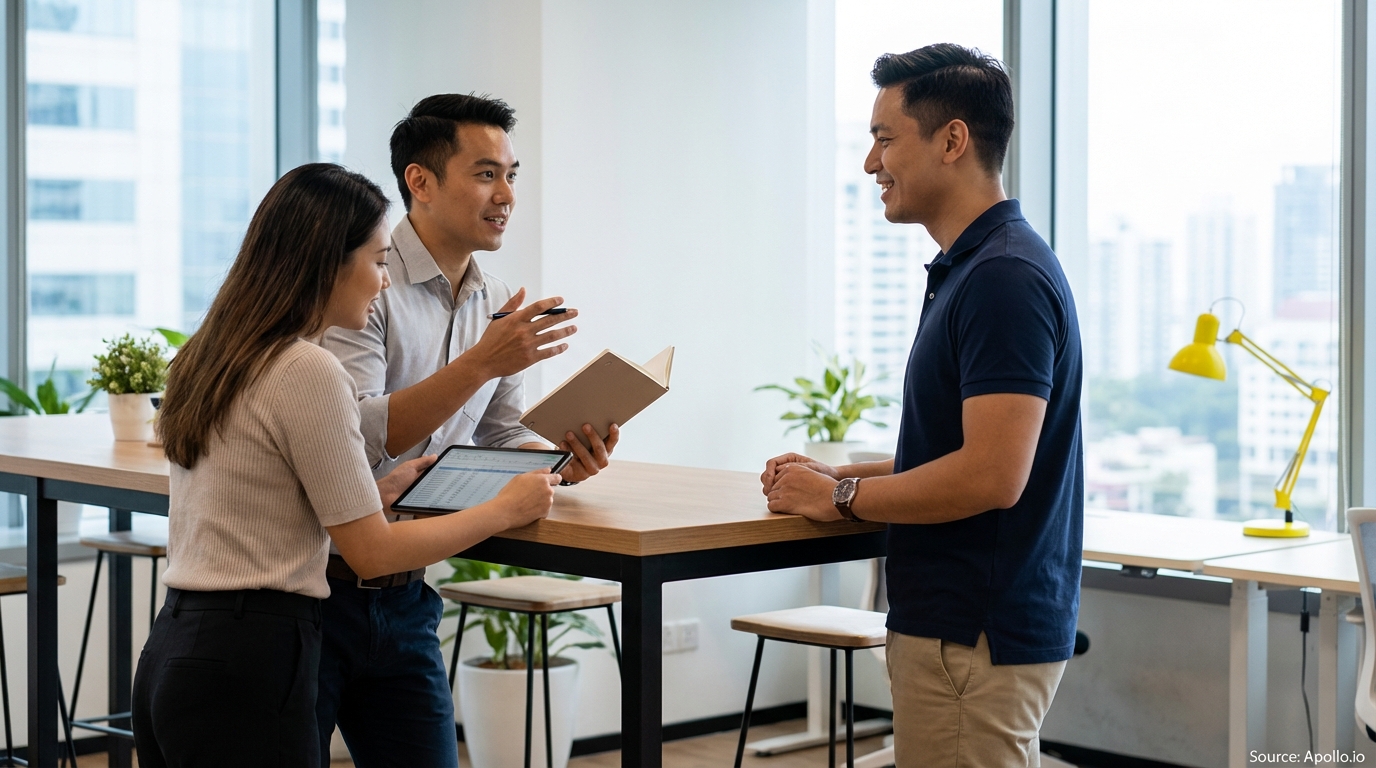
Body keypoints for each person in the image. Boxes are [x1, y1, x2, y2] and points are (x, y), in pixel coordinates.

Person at [130, 163, 561, 768]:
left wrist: (374, 492)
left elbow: (258, 496)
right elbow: (374, 554)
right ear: (327, 262)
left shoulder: (208, 355)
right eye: (379, 261)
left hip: (178, 646)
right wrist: (501, 510)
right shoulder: (308, 369)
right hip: (254, 652)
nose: (384, 282)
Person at [760, 44, 1083, 766]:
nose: (871, 164)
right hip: (962, 626)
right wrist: (843, 476)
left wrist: (839, 495)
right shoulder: (979, 266)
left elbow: (991, 476)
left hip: (973, 630)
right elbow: (957, 454)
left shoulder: (1002, 277)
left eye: (883, 139)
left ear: (952, 140)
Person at [316, 93, 618, 767]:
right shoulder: (358, 280)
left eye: (511, 174)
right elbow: (357, 433)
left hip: (407, 594)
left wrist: (564, 458)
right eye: (485, 174)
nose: (506, 194)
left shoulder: (492, 296)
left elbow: (498, 436)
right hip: (317, 591)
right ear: (419, 182)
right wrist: (484, 360)